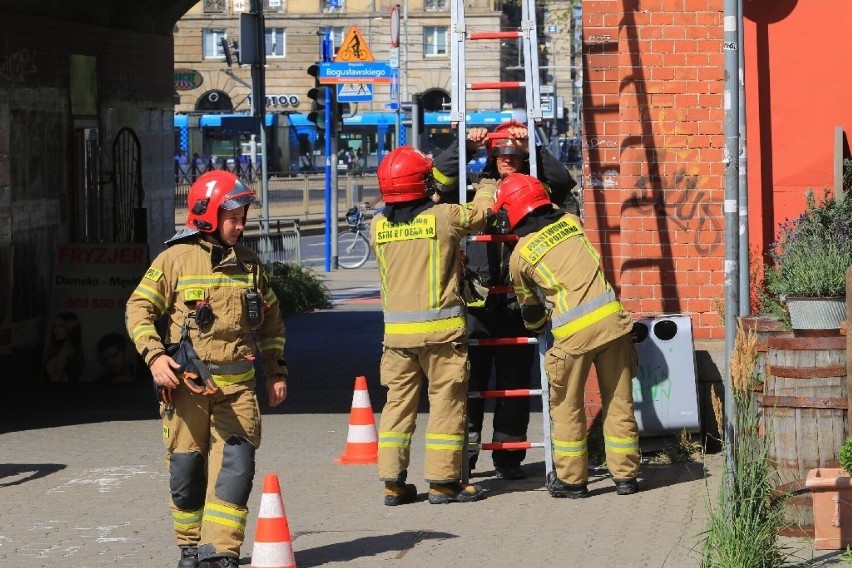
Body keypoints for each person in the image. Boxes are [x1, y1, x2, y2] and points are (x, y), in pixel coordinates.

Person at [126, 170, 288, 567]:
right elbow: (138, 309)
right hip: (187, 392)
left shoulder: (250, 266)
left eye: (243, 216)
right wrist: (154, 356)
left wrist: (277, 371)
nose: (241, 224)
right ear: (207, 215)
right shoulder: (174, 260)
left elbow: (270, 322)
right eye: (232, 217)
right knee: (187, 470)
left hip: (238, 393)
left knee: (236, 468)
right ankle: (190, 548)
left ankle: (221, 552)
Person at [431, 119, 578, 480]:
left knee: (513, 382)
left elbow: (562, 182)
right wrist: (462, 144)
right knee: (471, 381)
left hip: (516, 299)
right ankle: (465, 455)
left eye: (514, 152)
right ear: (491, 153)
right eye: (501, 152)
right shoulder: (471, 189)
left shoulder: (535, 187)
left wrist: (537, 146)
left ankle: (509, 456)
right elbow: (437, 179)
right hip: (477, 300)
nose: (507, 159)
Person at [492, 173, 640, 498]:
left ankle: (573, 481)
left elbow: (530, 312)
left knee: (567, 406)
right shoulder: (573, 221)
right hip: (614, 322)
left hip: (573, 334)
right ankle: (626, 477)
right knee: (618, 401)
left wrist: (538, 325)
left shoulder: (520, 257)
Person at [370, 146, 495, 506]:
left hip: (396, 339)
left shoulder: (378, 226)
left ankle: (393, 484)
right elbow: (483, 213)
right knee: (446, 406)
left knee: (397, 407)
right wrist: (486, 182)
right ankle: (443, 484)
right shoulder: (443, 217)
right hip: (442, 335)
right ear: (422, 183)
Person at [43, 311, 84, 383]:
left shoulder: (67, 352)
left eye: (62, 326)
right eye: (55, 326)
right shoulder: (63, 349)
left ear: (72, 327)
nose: (56, 330)